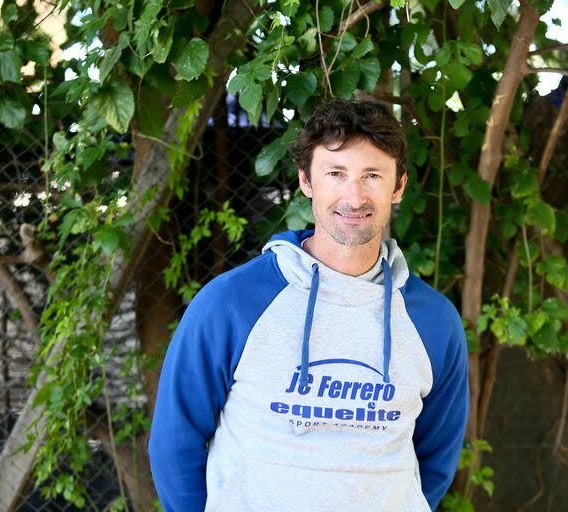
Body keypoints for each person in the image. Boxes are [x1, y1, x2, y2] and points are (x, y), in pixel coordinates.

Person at [147, 99, 469, 512]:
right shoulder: (231, 304)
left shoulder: (434, 322)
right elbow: (176, 441)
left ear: (398, 186)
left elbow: (437, 460)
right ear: (306, 181)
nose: (354, 197)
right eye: (336, 174)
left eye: (372, 175)